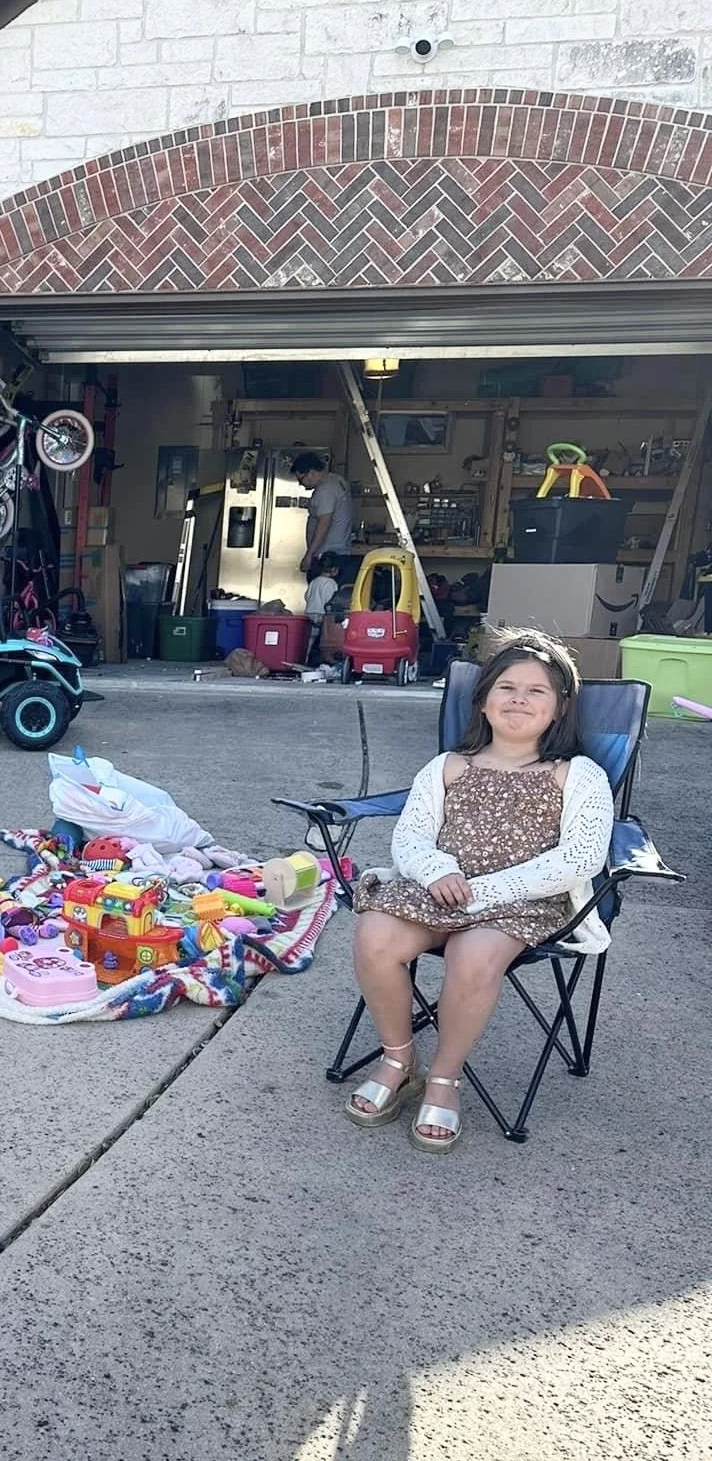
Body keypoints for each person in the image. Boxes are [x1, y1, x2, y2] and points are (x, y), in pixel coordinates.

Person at [344, 630, 614, 1153]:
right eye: (507, 687)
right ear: (484, 701)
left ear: (559, 709)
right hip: (439, 889)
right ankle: (399, 1058)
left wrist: (485, 891)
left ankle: (445, 1076)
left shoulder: (576, 774)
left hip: (524, 899)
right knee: (374, 934)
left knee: (474, 954)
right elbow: (411, 837)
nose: (519, 699)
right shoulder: (448, 765)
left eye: (537, 691)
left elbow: (579, 858)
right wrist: (437, 872)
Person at [292, 453, 355, 575]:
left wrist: (309, 554)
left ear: (311, 473)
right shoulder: (336, 479)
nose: (301, 484)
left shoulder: (325, 490)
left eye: (301, 479)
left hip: (326, 556)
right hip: (339, 551)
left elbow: (324, 523)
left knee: (320, 591)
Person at [304, 552, 342, 662]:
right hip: (322, 615)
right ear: (334, 569)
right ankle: (321, 660)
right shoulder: (331, 583)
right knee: (323, 639)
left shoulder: (314, 581)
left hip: (309, 613)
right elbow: (330, 601)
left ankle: (306, 660)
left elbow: (307, 596)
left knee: (310, 640)